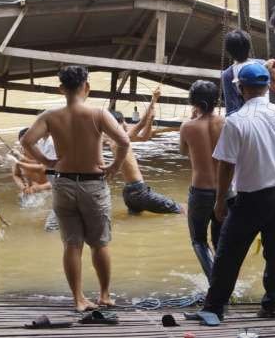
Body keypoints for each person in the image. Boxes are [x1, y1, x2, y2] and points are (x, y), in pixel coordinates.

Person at [21, 65, 130, 312]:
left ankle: (79, 299)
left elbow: (27, 141)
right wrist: (114, 166)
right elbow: (124, 141)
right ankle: (104, 295)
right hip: (93, 183)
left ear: (61, 88)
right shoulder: (98, 114)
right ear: (87, 87)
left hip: (62, 183)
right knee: (100, 243)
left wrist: (46, 161)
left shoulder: (50, 116)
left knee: (72, 244)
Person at [196, 63, 275, 322]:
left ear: (241, 89)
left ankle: (214, 308)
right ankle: (272, 305)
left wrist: (220, 201)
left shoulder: (236, 122)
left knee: (228, 253)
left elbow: (226, 166)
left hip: (251, 198)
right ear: (267, 88)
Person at [108, 87, 183, 215]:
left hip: (130, 193)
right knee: (180, 210)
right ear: (118, 124)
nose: (126, 124)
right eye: (124, 122)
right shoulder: (119, 139)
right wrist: (154, 100)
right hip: (138, 191)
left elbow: (144, 137)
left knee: (135, 220)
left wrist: (150, 121)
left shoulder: (115, 141)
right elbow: (141, 123)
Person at [179, 80, 226, 282]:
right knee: (221, 241)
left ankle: (214, 282)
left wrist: (192, 119)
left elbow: (183, 152)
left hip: (200, 192)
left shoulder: (187, 127)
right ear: (216, 101)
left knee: (199, 240)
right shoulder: (226, 123)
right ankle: (226, 283)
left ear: (193, 102)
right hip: (225, 191)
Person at [220, 29, 265, 116]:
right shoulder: (262, 64)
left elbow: (232, 108)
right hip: (270, 114)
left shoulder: (228, 75)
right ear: (249, 47)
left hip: (246, 119)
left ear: (229, 52)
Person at [13, 128, 52, 195]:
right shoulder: (18, 158)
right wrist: (23, 187)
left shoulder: (47, 155)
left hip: (48, 193)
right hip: (29, 193)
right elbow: (16, 175)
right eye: (23, 144)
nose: (24, 148)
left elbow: (58, 179)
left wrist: (40, 187)